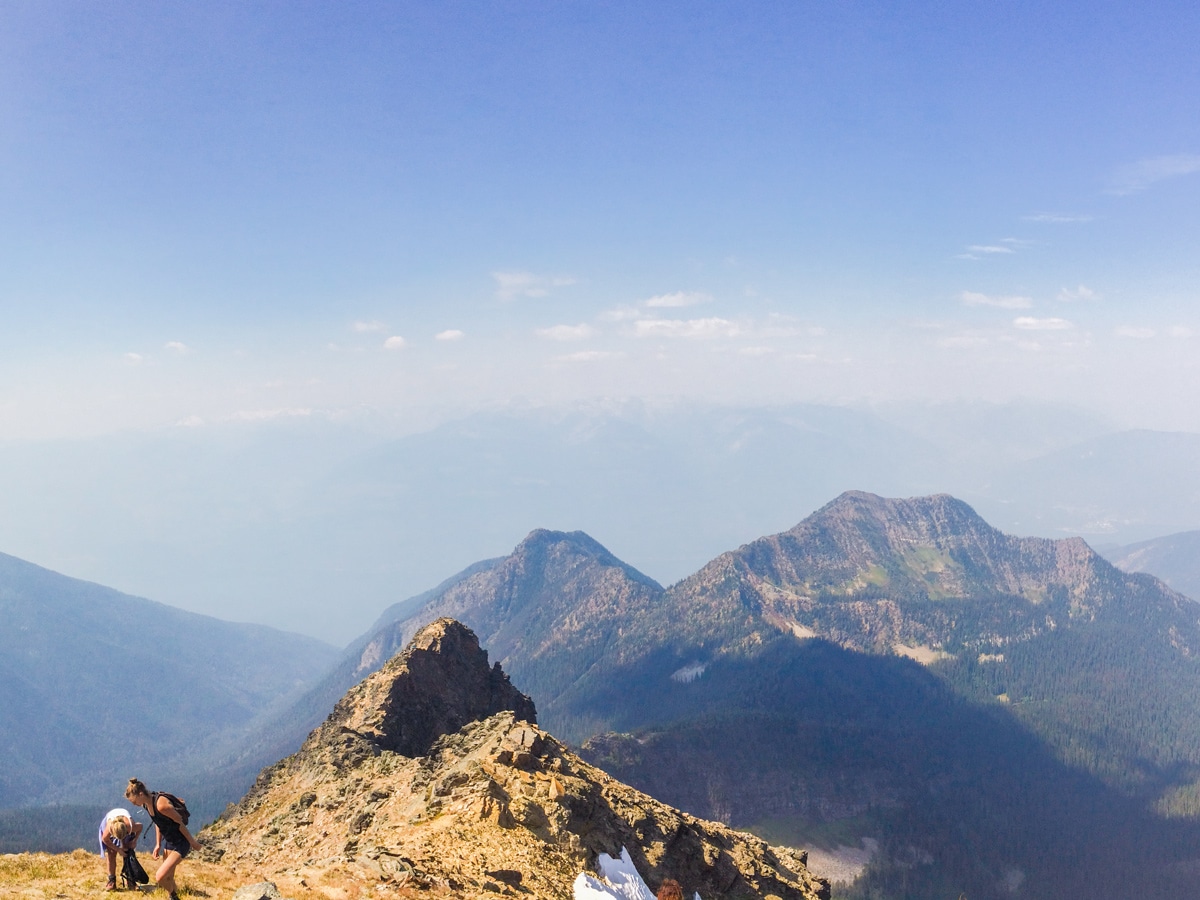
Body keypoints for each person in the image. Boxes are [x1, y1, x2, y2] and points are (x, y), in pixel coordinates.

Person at [124, 778, 201, 900]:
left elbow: (180, 824)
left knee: (160, 877)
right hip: (169, 842)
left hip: (181, 843)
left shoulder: (161, 806)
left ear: (140, 794)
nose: (134, 805)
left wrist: (193, 842)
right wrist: (158, 844)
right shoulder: (146, 804)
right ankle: (174, 894)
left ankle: (173, 896)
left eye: (134, 802)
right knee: (168, 878)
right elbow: (158, 822)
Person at [98, 808, 143, 891]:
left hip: (124, 827)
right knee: (111, 853)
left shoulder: (130, 826)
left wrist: (134, 841)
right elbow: (105, 839)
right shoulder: (109, 828)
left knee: (127, 851)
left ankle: (130, 880)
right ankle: (111, 880)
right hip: (112, 822)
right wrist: (118, 849)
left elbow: (140, 826)